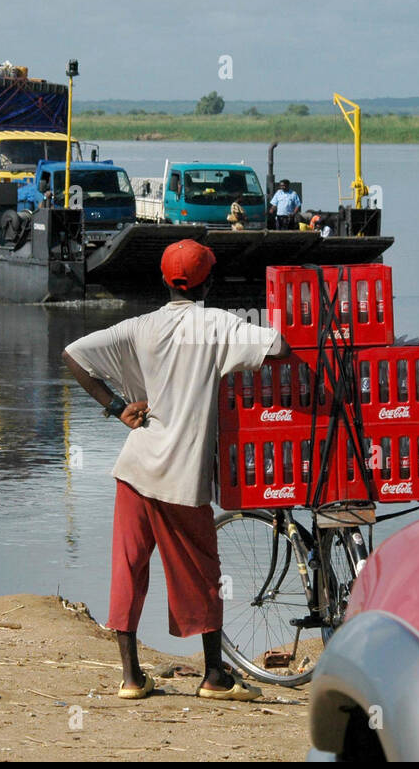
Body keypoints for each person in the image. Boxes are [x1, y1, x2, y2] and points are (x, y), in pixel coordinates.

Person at [62, 239, 291, 702]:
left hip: (135, 466)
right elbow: (280, 347)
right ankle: (214, 676)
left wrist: (117, 406)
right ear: (209, 282)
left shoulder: (142, 326)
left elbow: (73, 354)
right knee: (203, 571)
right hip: (182, 475)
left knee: (128, 569)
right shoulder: (217, 326)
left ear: (164, 281)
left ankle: (130, 678)